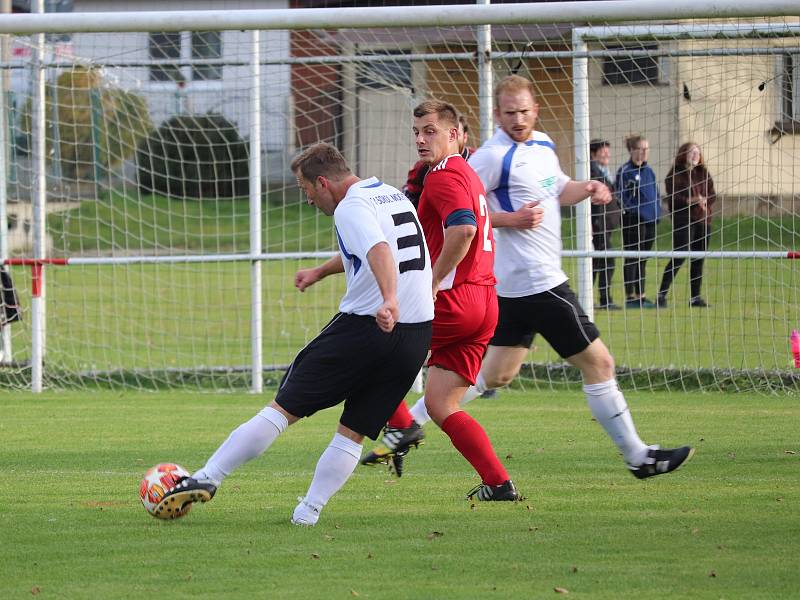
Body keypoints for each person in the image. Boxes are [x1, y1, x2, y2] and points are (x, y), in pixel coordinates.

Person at [387, 75, 693, 481]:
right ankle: (639, 457)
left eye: (524, 111)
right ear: (496, 114)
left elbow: (555, 189)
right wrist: (510, 219)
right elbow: (466, 214)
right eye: (509, 112)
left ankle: (407, 427)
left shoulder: (544, 144)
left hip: (510, 288)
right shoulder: (491, 157)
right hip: (538, 283)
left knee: (495, 375)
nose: (518, 119)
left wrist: (584, 188)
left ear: (536, 109)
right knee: (600, 363)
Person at [154, 143, 434, 526]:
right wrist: (321, 271)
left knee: (282, 410)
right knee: (352, 432)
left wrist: (388, 299)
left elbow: (380, 250)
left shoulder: (351, 206)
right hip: (415, 337)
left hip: (369, 326)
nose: (309, 201)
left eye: (307, 191)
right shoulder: (389, 195)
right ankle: (308, 513)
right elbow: (377, 248)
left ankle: (208, 477)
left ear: (323, 182)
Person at [364, 99, 519, 501]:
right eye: (416, 132)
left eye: (429, 131)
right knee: (440, 402)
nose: (420, 139)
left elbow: (464, 230)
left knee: (362, 346)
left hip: (455, 298)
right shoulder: (465, 172)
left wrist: (432, 281)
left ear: (455, 133)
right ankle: (498, 484)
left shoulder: (443, 175)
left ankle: (400, 427)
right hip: (486, 303)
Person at [657, 142, 717, 308]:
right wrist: (693, 201)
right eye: (692, 152)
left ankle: (695, 297)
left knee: (699, 258)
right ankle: (661, 294)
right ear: (684, 154)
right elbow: (674, 199)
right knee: (680, 255)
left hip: (703, 220)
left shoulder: (703, 172)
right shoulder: (674, 175)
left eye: (697, 153)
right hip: (684, 220)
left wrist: (705, 200)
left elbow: (712, 194)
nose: (695, 156)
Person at [617, 134, 662, 309]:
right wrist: (635, 212)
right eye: (640, 149)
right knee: (632, 257)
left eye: (646, 149)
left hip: (651, 221)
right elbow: (621, 196)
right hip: (633, 220)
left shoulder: (649, 171)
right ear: (632, 150)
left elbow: (655, 193)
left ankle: (641, 295)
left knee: (643, 258)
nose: (644, 152)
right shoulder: (625, 171)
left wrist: (656, 212)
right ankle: (630, 297)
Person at [403, 114, 475, 208]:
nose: (451, 138)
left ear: (465, 137)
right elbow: (409, 198)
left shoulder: (476, 160)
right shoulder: (423, 167)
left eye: (456, 135)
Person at [589, 138, 622, 310]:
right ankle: (604, 299)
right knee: (606, 260)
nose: (607, 153)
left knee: (597, 262)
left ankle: (592, 298)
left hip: (606, 225)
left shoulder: (604, 171)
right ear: (593, 153)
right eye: (603, 150)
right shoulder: (592, 172)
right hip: (598, 225)